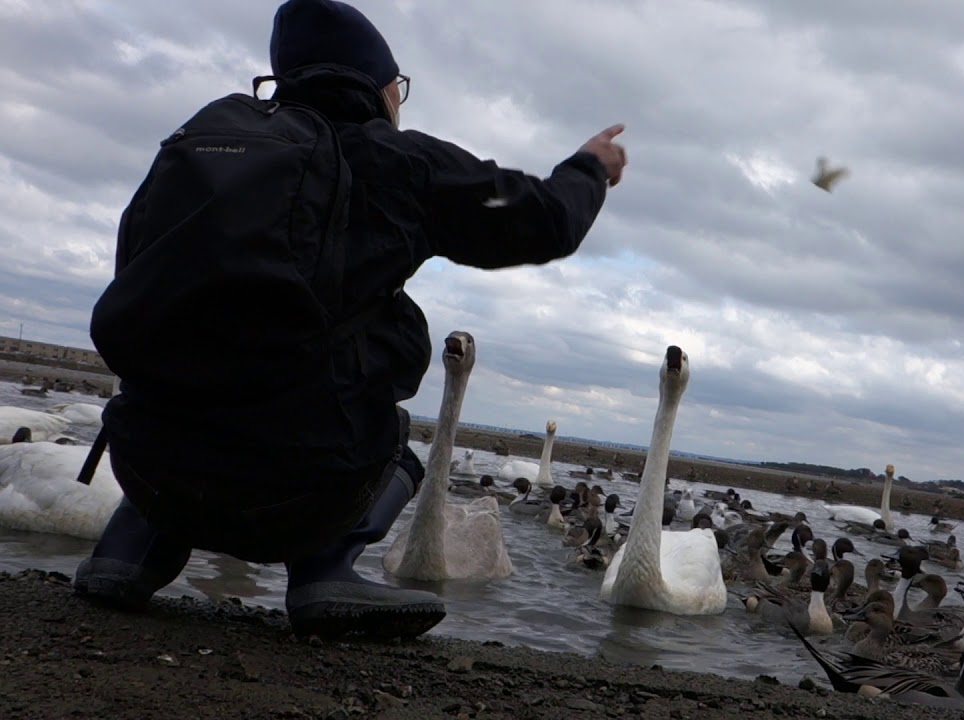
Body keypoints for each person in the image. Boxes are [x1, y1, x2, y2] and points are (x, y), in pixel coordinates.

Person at [74, 0, 626, 641]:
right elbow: (546, 219)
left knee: (194, 367)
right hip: (296, 497)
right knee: (395, 425)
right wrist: (589, 168)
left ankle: (127, 553)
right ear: (379, 85)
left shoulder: (200, 151)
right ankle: (324, 573)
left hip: (148, 468)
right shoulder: (403, 164)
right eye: (399, 86)